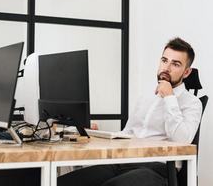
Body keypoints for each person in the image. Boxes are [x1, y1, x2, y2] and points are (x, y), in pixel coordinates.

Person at [58, 37, 202, 186]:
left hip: (158, 168)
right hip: (124, 162)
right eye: (164, 60)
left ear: (186, 72)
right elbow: (128, 134)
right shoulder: (146, 97)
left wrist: (169, 97)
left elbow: (182, 141)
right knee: (63, 183)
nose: (167, 68)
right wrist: (98, 135)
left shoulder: (192, 103)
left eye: (175, 64)